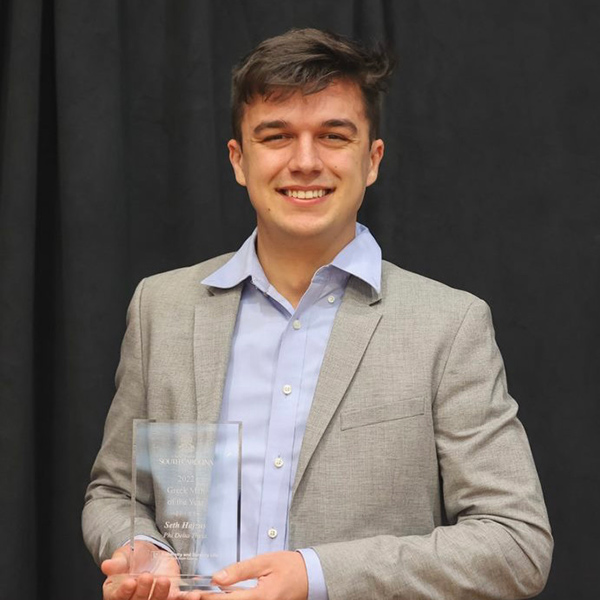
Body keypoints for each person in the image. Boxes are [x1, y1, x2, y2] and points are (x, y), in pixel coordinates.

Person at [83, 28, 553, 600]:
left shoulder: (448, 326)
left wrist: (317, 576)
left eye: (333, 136)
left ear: (372, 159)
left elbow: (516, 544)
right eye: (276, 136)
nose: (305, 162)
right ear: (238, 159)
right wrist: (140, 546)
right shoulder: (162, 309)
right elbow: (115, 493)